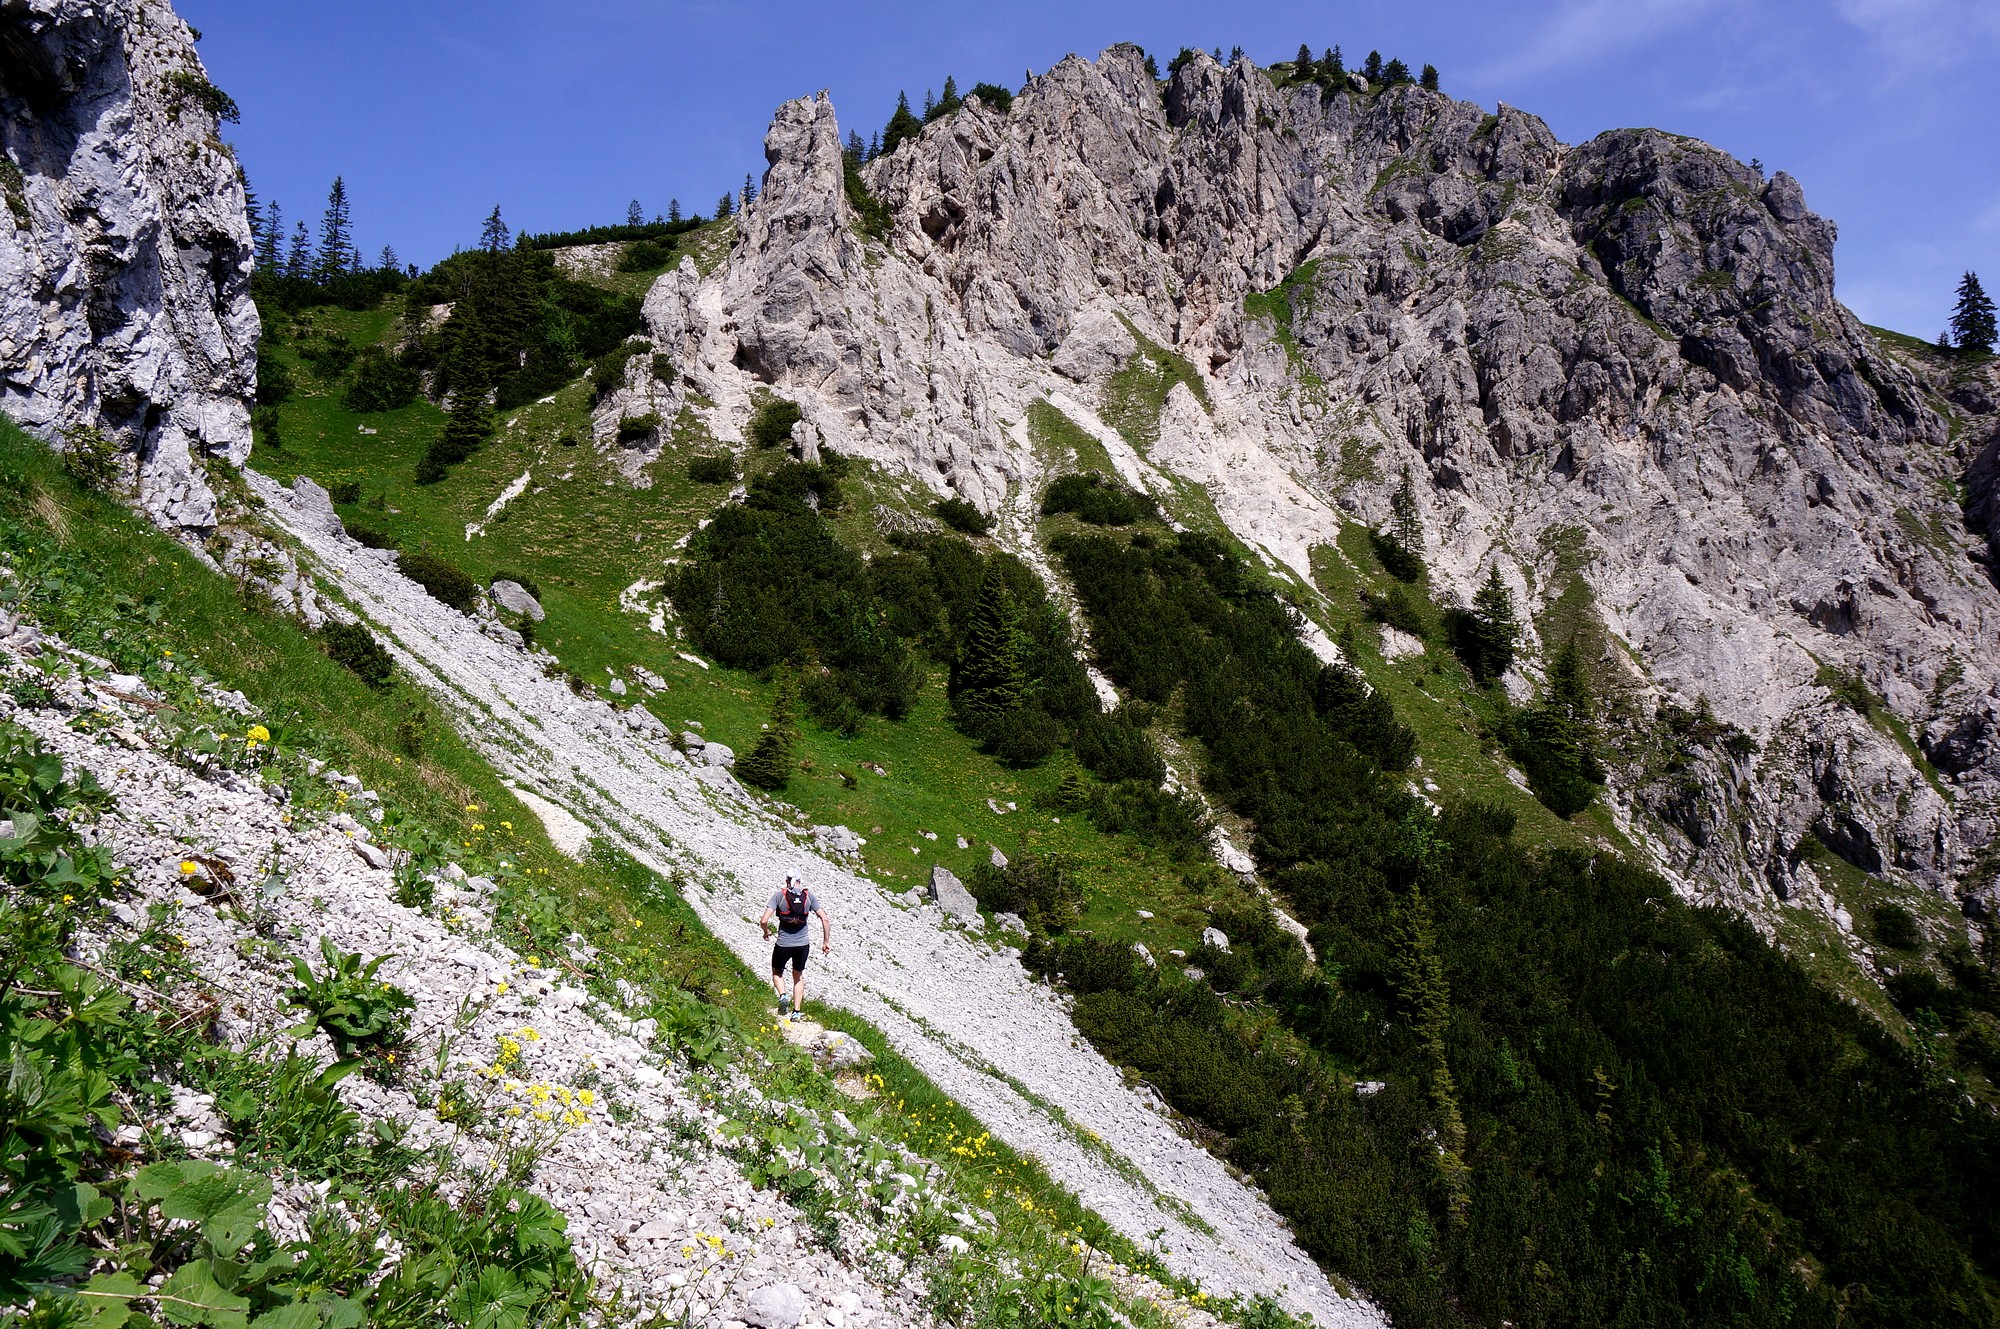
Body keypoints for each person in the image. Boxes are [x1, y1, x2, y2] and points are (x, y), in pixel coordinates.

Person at [760, 870, 830, 1021]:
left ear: (787, 880)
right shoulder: (808, 896)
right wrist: (825, 942)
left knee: (777, 972)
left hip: (783, 943)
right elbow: (825, 919)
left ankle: (783, 995)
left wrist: (766, 932)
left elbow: (764, 920)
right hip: (803, 945)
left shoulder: (779, 895)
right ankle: (796, 1012)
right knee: (797, 976)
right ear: (800, 880)